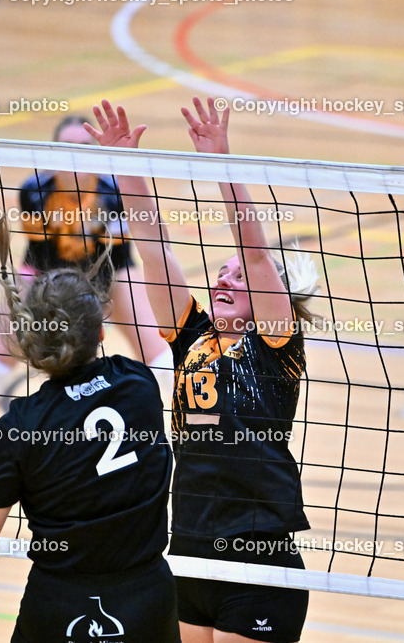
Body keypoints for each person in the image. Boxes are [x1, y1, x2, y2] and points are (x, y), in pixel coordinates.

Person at [86, 97, 320, 643]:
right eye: (221, 270)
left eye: (240, 277)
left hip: (259, 550)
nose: (227, 277)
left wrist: (220, 162)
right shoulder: (192, 335)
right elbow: (153, 244)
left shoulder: (274, 346)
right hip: (189, 541)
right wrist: (127, 167)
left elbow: (256, 252)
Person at [0, 217, 178, 643]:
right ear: (99, 331)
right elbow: (163, 349)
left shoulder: (18, 430)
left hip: (58, 606)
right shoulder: (140, 385)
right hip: (148, 599)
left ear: (29, 344)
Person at [0, 114, 172, 471]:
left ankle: (176, 447)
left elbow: (121, 257)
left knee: (165, 364)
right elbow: (42, 259)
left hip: (112, 273)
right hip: (45, 274)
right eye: (66, 148)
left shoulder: (114, 194)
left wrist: (98, 301)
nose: (75, 156)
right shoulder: (35, 192)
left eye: (85, 148)